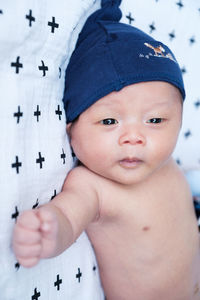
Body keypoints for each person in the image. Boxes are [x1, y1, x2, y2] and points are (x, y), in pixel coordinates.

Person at [12, 0, 200, 299]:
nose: (134, 137)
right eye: (109, 121)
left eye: (155, 120)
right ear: (72, 129)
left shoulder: (165, 163)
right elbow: (69, 218)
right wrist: (47, 230)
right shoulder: (92, 187)